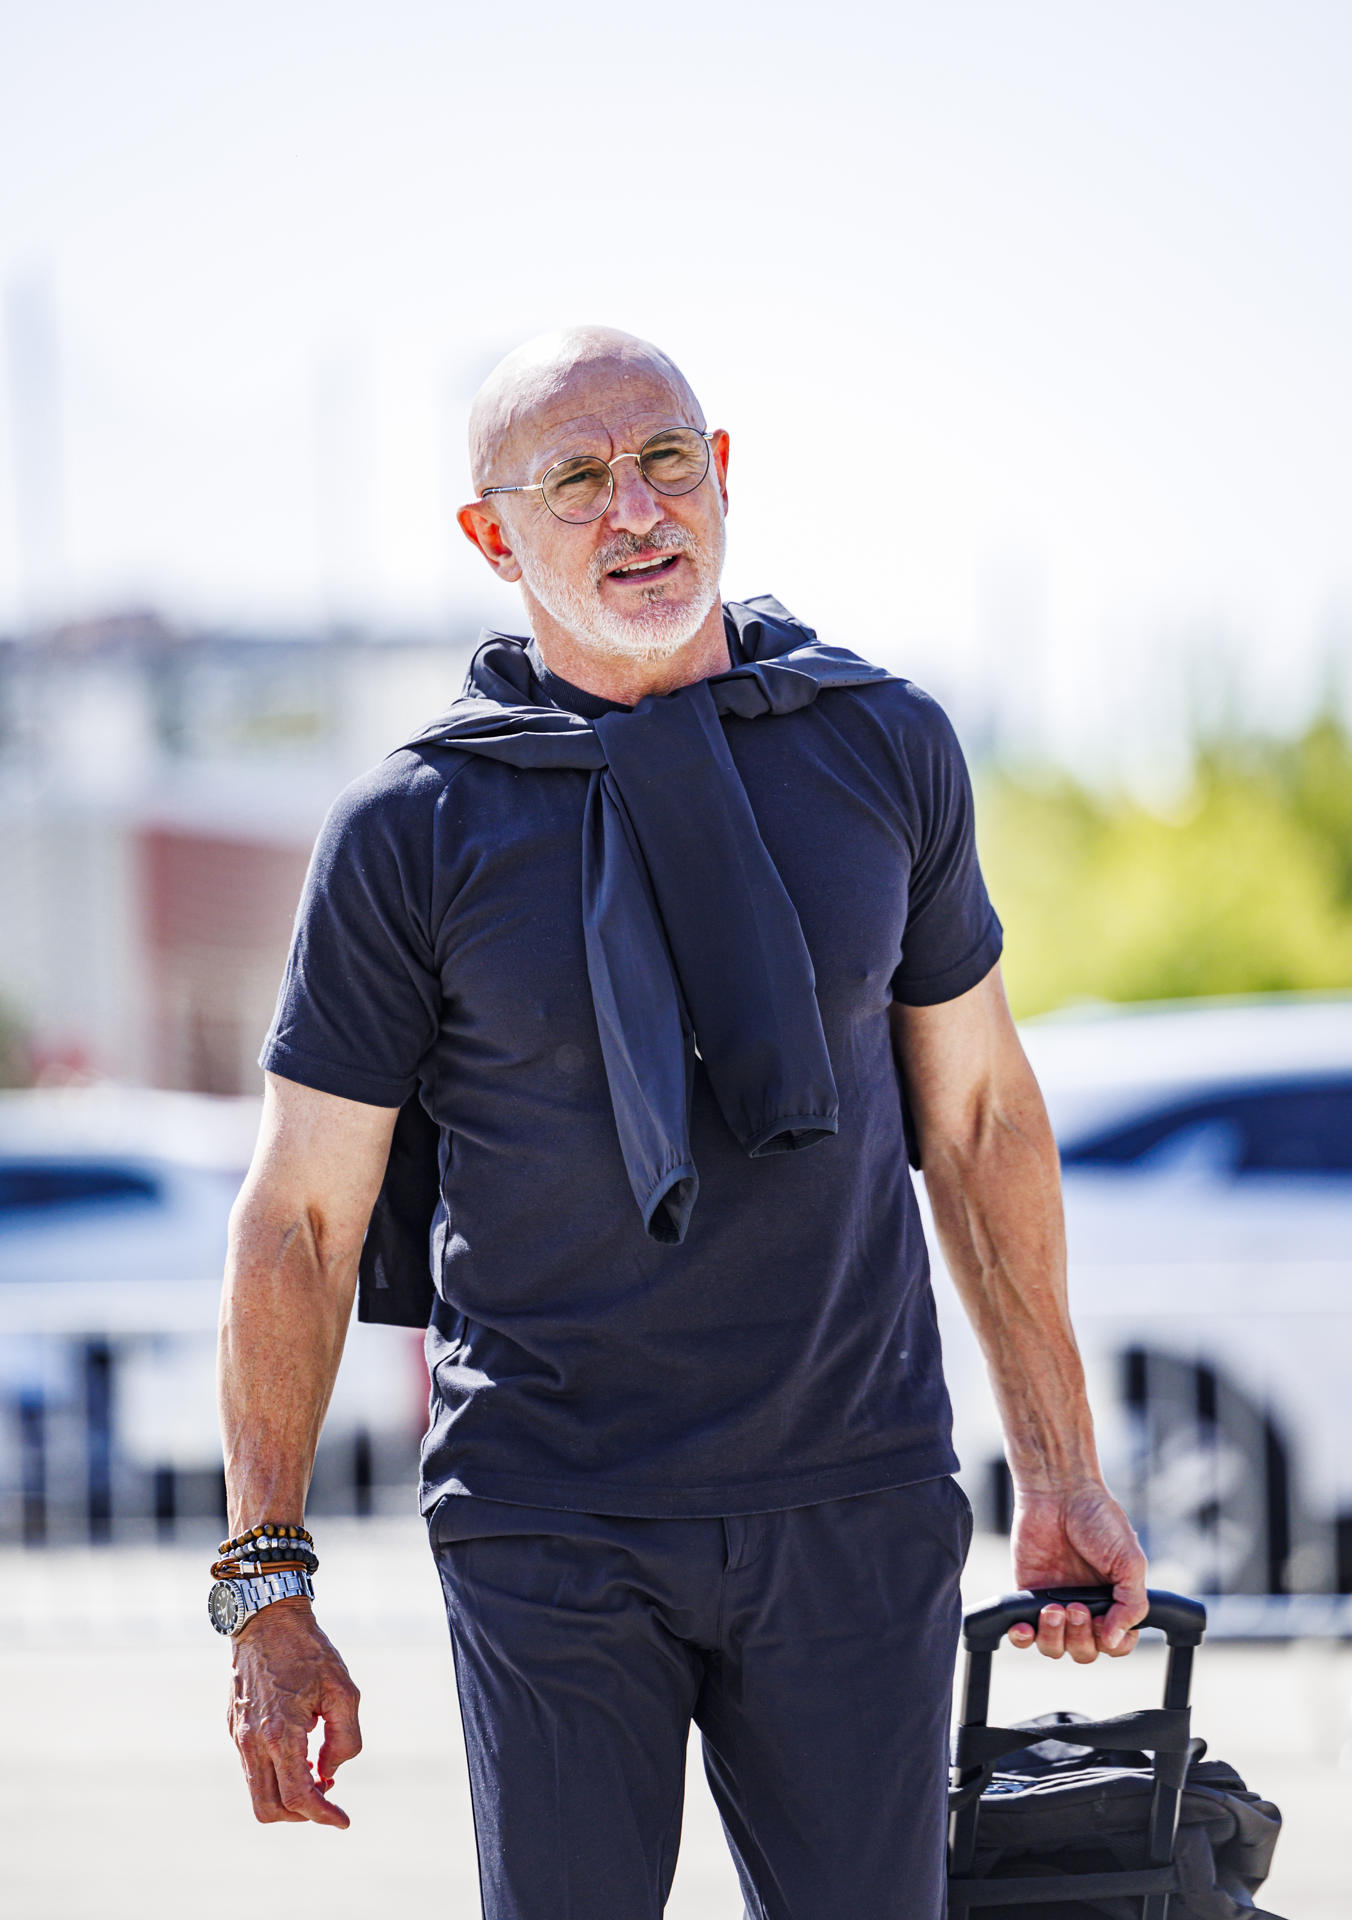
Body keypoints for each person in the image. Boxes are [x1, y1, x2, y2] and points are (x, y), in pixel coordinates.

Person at [217, 325, 1148, 1918]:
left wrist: (1060, 1468)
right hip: (550, 1517)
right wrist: (265, 1590)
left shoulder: (878, 745)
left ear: (720, 477)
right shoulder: (412, 828)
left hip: (853, 1495)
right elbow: (301, 1218)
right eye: (575, 480)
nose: (635, 509)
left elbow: (981, 1117)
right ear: (491, 537)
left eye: (665, 461)